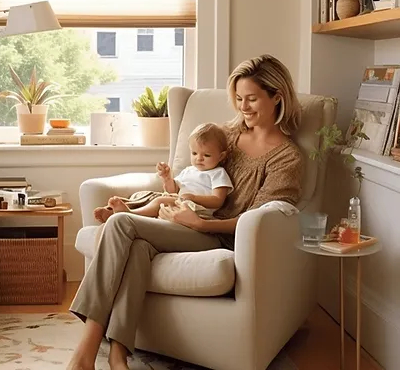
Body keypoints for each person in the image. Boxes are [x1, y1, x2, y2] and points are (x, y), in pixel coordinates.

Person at [67, 54, 304, 370]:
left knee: (122, 223)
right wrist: (174, 192)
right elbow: (190, 176)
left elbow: (261, 223)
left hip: (217, 237)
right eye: (239, 99)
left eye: (252, 99)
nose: (243, 107)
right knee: (137, 249)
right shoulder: (227, 135)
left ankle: (85, 352)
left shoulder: (288, 158)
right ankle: (117, 354)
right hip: (184, 222)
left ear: (277, 97)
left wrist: (201, 224)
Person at [93, 122, 233, 222]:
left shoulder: (218, 173)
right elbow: (173, 190)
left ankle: (129, 214)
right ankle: (112, 212)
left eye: (206, 155)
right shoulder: (188, 171)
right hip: (180, 201)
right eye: (194, 153)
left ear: (221, 156)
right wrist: (167, 179)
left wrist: (193, 197)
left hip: (197, 210)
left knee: (160, 200)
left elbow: (218, 201)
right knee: (141, 196)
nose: (199, 158)